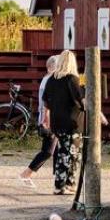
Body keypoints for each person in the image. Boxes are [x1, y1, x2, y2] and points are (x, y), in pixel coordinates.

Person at [41, 50, 85, 195]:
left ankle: (60, 184)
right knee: (73, 154)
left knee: (62, 152)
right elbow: (81, 101)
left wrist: (46, 118)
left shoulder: (52, 79)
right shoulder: (72, 79)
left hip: (57, 122)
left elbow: (45, 101)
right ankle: (67, 184)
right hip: (72, 122)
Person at [18, 54, 61, 189]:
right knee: (48, 151)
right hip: (48, 120)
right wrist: (45, 120)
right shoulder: (50, 81)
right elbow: (45, 103)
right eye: (57, 67)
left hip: (51, 119)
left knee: (57, 150)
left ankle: (59, 178)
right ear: (49, 68)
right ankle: (26, 174)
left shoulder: (48, 80)